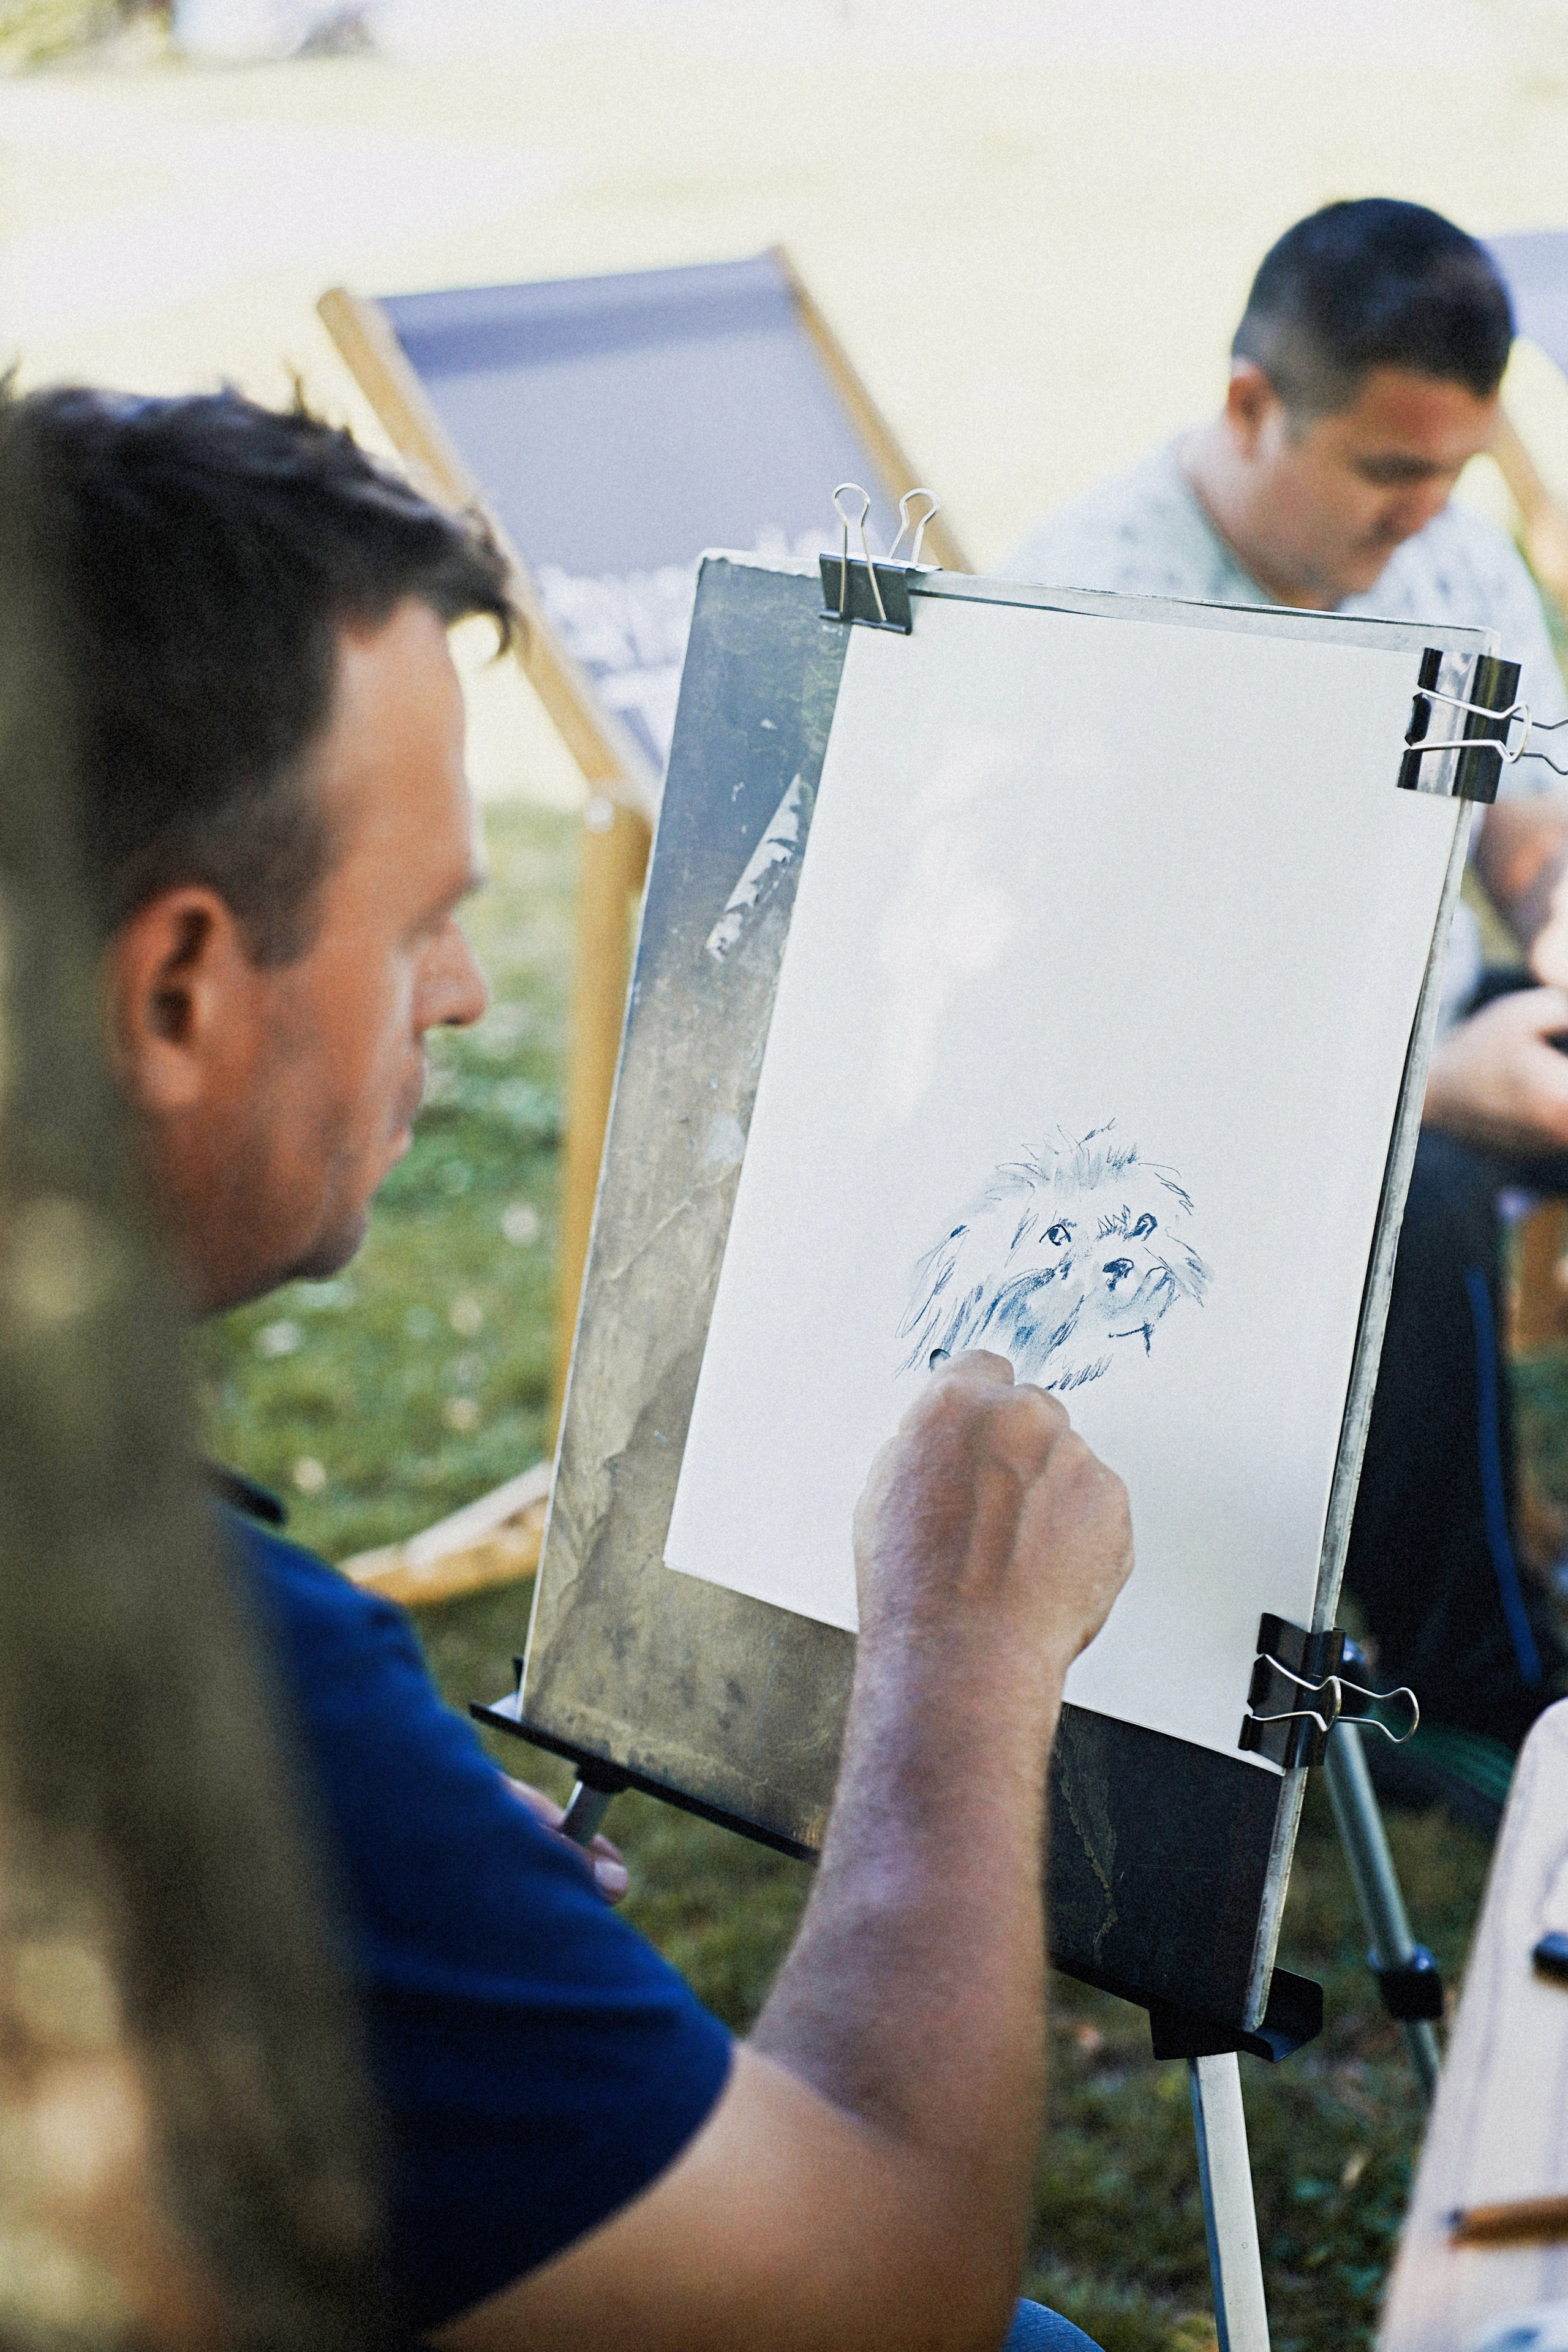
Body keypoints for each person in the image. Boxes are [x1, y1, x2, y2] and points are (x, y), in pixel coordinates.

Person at [13, 383, 1135, 2351]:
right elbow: (878, 2294)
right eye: (426, 922)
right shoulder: (181, 1681)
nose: (460, 991)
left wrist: (363, 1872)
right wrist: (962, 1665)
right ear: (178, 990)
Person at [1005, 198, 1568, 1816]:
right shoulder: (1091, 612)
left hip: (1434, 1028)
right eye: (1391, 476)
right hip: (1181, 1115)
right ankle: (1478, 1690)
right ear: (1251, 407)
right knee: (1430, 1194)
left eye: (1457, 472)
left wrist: (1548, 907)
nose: (1432, 517)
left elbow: (1524, 794)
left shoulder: (1443, 539)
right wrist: (1423, 1094)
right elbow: (1107, 1034)